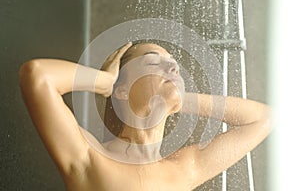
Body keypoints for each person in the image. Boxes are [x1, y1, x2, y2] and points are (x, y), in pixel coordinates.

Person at [19, 42, 271, 191]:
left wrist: (178, 98)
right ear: (122, 89)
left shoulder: (186, 168)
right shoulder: (88, 157)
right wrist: (105, 81)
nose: (172, 67)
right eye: (154, 63)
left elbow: (262, 118)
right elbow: (37, 76)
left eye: (173, 65)